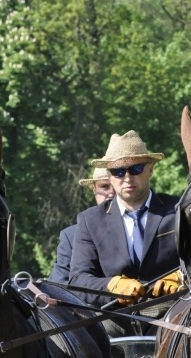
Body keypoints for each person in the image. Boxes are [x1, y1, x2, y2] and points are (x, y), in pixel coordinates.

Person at [69, 130, 183, 336]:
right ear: (110, 177)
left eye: (135, 168)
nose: (127, 177)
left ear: (151, 169)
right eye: (118, 172)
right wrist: (112, 285)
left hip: (174, 317)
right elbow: (78, 280)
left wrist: (181, 277)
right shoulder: (89, 220)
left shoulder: (179, 210)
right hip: (113, 321)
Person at [48, 168, 115, 282]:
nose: (111, 193)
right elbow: (58, 287)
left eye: (116, 186)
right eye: (104, 186)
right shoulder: (70, 236)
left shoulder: (145, 228)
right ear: (93, 189)